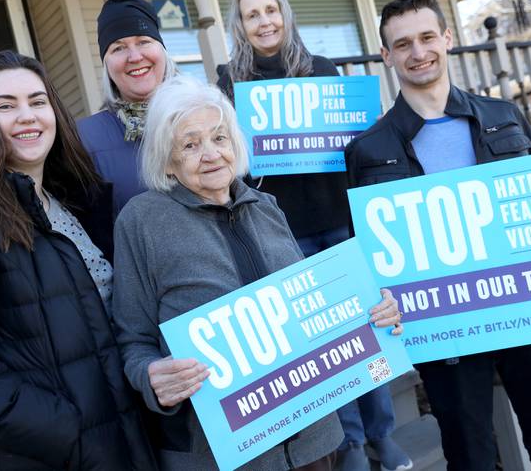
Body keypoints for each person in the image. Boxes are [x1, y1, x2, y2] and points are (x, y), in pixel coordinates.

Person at [345, 0, 531, 471]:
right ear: (386, 55)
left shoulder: (506, 117)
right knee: (470, 459)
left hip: (529, 313)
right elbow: (368, 252)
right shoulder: (368, 151)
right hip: (444, 330)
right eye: (403, 44)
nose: (418, 52)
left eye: (428, 37)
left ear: (448, 39)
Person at [112, 75, 404, 470]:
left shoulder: (266, 206)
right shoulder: (141, 221)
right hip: (225, 455)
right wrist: (151, 377)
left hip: (313, 442)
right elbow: (132, 341)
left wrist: (374, 310)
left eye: (219, 137)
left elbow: (316, 306)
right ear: (167, 159)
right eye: (190, 144)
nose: (211, 153)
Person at [0, 50, 155, 471]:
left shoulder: (66, 201)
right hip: (54, 455)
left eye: (37, 102)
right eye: (6, 106)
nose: (27, 116)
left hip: (121, 436)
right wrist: (67, 433)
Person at [217, 0, 412, 471]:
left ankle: (381, 434)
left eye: (271, 10)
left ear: (284, 13)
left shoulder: (323, 71)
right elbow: (230, 160)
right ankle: (348, 442)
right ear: (239, 25)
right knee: (323, 342)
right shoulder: (229, 86)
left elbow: (357, 145)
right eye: (252, 14)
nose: (264, 22)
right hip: (282, 232)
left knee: (366, 327)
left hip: (339, 220)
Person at [78, 0, 177, 219]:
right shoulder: (85, 139)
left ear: (162, 50)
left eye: (143, 41)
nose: (134, 56)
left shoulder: (204, 116)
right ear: (107, 65)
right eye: (118, 48)